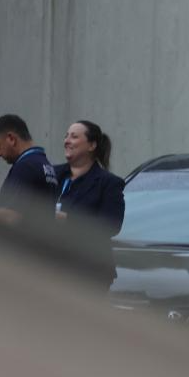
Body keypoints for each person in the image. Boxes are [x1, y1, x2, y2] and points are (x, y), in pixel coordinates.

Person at [53, 120, 125, 285]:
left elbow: (111, 225)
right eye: (66, 136)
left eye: (74, 137)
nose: (67, 141)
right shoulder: (52, 173)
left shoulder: (108, 183)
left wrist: (68, 219)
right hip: (52, 268)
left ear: (92, 145)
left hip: (88, 272)